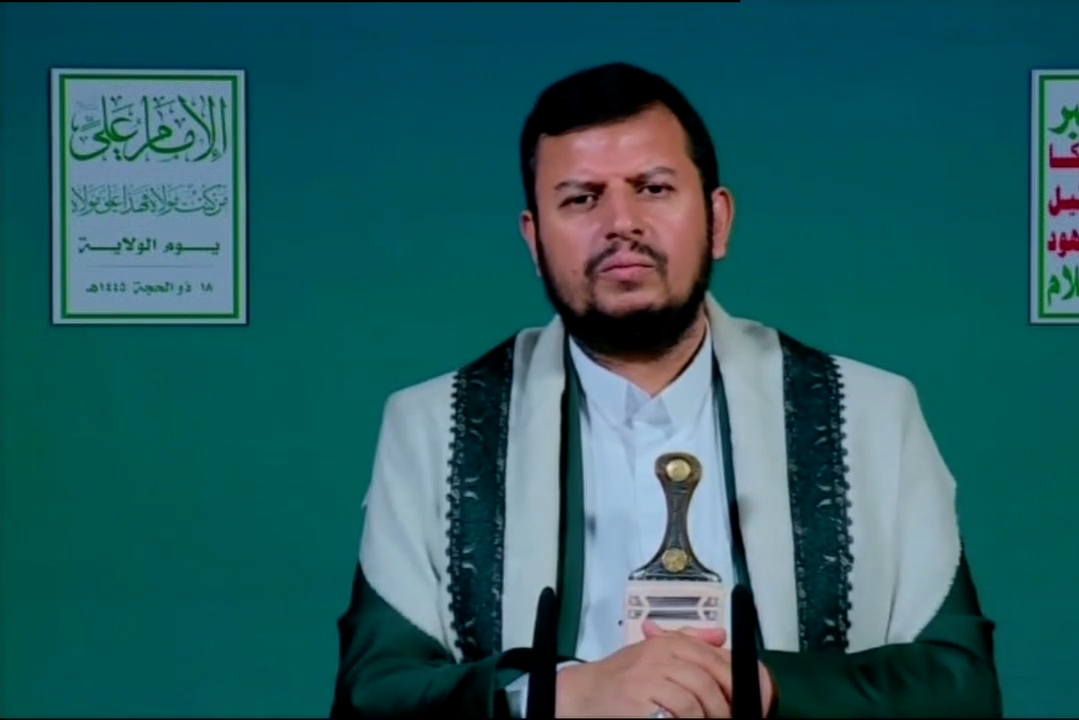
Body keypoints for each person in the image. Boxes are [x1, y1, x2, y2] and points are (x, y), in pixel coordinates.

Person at [329, 61, 1002, 719]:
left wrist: (764, 688)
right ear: (534, 240)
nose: (620, 223)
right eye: (581, 198)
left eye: (652, 188)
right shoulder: (435, 429)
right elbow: (372, 695)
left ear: (718, 220)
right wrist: (559, 696)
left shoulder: (868, 415)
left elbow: (960, 687)